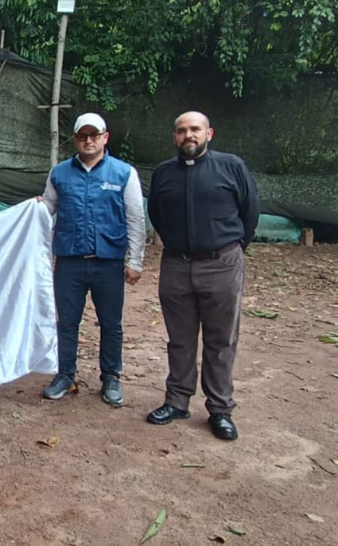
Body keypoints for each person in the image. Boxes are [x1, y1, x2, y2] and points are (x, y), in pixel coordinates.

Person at [146, 112, 258, 441]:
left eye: (194, 129)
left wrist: (233, 248)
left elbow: (249, 211)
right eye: (181, 131)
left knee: (221, 341)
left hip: (221, 263)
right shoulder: (164, 173)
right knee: (179, 339)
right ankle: (177, 401)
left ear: (209, 132)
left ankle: (220, 409)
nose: (188, 136)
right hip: (177, 266)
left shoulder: (231, 166)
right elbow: (157, 214)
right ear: (174, 137)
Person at [39, 113, 146, 407]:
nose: (88, 141)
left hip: (108, 263)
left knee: (111, 323)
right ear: (75, 139)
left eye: (94, 135)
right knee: (66, 322)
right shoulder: (59, 173)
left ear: (105, 137)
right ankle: (64, 374)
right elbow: (46, 213)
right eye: (83, 136)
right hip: (69, 263)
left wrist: (134, 261)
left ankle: (111, 376)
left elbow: (135, 218)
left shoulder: (124, 173)